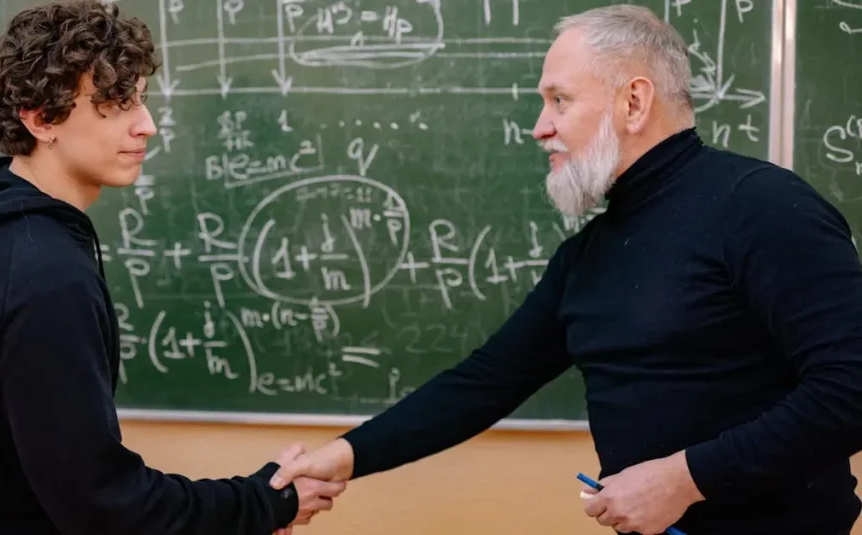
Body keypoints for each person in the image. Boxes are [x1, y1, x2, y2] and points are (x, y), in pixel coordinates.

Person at [268, 5, 862, 535]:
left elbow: (851, 388)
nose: (540, 126)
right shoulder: (590, 252)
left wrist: (684, 479)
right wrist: (341, 456)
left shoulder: (761, 206)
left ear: (634, 101)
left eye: (560, 100)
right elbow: (485, 382)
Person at [0, 2, 344, 534]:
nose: (148, 126)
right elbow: (105, 505)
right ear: (41, 119)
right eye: (117, 101)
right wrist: (262, 502)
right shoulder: (43, 275)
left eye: (142, 99)